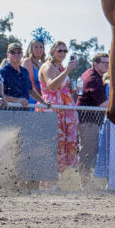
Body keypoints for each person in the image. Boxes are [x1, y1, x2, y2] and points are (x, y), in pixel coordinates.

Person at [39, 41, 79, 178]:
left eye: (64, 51)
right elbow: (51, 86)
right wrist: (68, 70)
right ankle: (47, 181)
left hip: (64, 110)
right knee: (54, 144)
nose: (62, 53)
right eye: (59, 50)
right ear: (52, 52)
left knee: (63, 145)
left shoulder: (60, 67)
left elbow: (62, 87)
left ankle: (56, 180)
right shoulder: (47, 66)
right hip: (52, 109)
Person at [76, 53, 109, 184]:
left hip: (89, 120)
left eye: (108, 62)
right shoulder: (93, 78)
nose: (107, 65)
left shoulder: (91, 75)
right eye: (104, 62)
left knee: (90, 149)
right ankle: (84, 182)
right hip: (88, 120)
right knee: (88, 150)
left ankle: (84, 180)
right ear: (95, 64)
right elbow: (102, 103)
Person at [0, 42, 47, 109]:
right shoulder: (3, 72)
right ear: (7, 55)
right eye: (12, 52)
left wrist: (43, 102)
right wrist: (17, 100)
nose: (16, 54)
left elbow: (31, 91)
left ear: (22, 54)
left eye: (19, 52)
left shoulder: (25, 71)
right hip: (7, 112)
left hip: (24, 112)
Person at [21, 38, 47, 105]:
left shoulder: (42, 64)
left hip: (42, 97)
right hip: (31, 98)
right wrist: (41, 99)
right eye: (36, 47)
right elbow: (31, 84)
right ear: (31, 49)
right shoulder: (27, 62)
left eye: (41, 47)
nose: (39, 49)